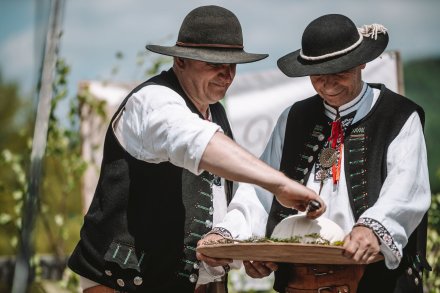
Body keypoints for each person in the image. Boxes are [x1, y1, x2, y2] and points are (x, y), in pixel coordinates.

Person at [67, 5, 325, 293]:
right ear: (180, 60)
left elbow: (214, 202)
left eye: (233, 64)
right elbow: (196, 142)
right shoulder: (153, 100)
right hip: (125, 282)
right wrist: (279, 183)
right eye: (214, 63)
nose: (226, 74)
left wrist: (236, 243)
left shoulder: (216, 113)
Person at [199, 14, 431, 292]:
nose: (328, 84)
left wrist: (372, 228)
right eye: (318, 76)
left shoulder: (398, 116)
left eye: (339, 73)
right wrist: (230, 235)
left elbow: (406, 190)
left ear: (361, 63)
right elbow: (260, 192)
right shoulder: (294, 117)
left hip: (372, 280)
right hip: (299, 281)